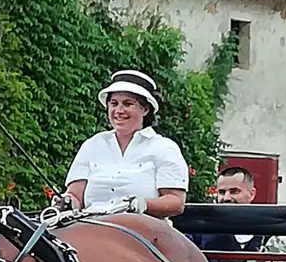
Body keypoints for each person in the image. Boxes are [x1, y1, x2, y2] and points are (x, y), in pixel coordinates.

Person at [60, 69, 189, 218]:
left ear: (145, 109)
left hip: (141, 230)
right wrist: (66, 201)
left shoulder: (164, 148)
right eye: (114, 103)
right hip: (91, 226)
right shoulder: (91, 146)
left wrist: (144, 204)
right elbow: (75, 196)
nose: (118, 110)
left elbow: (176, 202)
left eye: (127, 104)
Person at [189, 167, 267, 262]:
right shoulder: (199, 231)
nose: (226, 198)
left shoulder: (269, 235)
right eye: (221, 192)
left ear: (252, 194)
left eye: (234, 191)